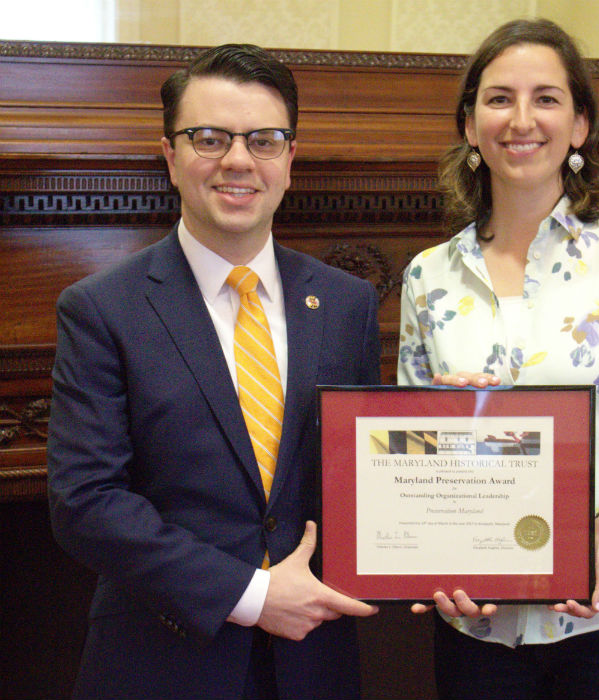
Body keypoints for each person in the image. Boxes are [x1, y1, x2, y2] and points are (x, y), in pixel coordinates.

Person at [397, 18, 599, 700]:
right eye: (498, 99)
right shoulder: (427, 277)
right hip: (478, 631)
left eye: (546, 98)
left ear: (580, 124)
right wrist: (436, 555)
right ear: (469, 125)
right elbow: (412, 461)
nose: (522, 120)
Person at [47, 44, 380, 700]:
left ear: (289, 158)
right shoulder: (101, 309)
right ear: (170, 156)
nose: (237, 160)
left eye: (263, 139)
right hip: (162, 660)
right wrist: (251, 594)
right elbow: (85, 501)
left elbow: (360, 477)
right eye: (209, 137)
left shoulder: (347, 303)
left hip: (315, 661)